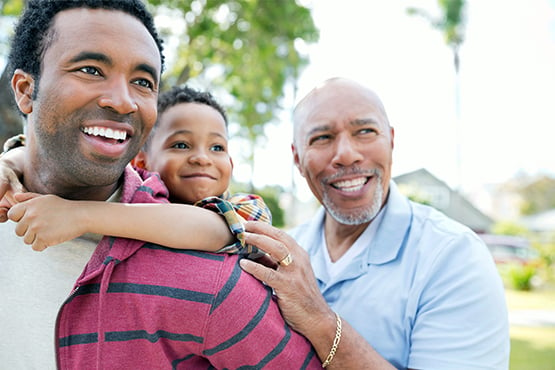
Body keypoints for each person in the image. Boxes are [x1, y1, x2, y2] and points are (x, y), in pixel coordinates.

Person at [0, 1, 321, 369]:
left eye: (142, 82)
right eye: (90, 70)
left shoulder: (214, 278)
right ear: (25, 90)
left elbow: (219, 229)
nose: (122, 101)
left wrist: (79, 215)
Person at [239, 77, 511, 369]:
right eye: (322, 138)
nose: (346, 155)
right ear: (297, 158)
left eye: (365, 131)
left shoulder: (453, 256)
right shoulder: (275, 254)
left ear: (391, 141)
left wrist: (319, 321)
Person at [3, 85, 270, 257]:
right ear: (140, 162)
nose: (202, 158)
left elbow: (213, 229)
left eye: (217, 147)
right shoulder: (132, 192)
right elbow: (46, 151)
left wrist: (77, 215)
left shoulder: (247, 209)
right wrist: (10, 164)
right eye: (181, 145)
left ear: (231, 165)